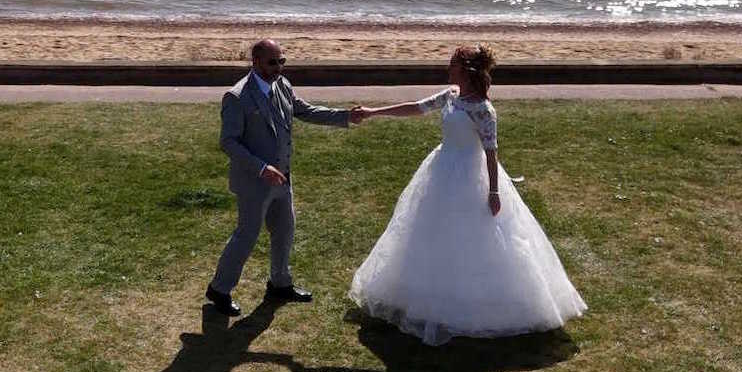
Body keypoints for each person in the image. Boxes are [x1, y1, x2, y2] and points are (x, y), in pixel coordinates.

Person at [348, 45, 586, 346]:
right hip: (441, 169)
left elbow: (491, 152)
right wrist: (372, 112)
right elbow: (416, 107)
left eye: (453, 64)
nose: (448, 68)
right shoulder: (450, 95)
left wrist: (494, 190)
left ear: (467, 70)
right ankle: (428, 295)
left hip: (470, 177)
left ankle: (476, 306)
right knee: (432, 234)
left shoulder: (484, 110)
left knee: (472, 238)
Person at [206, 39, 365, 317]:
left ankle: (279, 283)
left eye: (282, 61)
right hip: (255, 181)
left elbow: (306, 111)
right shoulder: (237, 96)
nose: (278, 67)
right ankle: (219, 289)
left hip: (283, 178)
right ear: (255, 62)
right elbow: (228, 142)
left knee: (284, 231)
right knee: (247, 235)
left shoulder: (283, 85)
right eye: (272, 62)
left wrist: (345, 116)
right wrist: (261, 168)